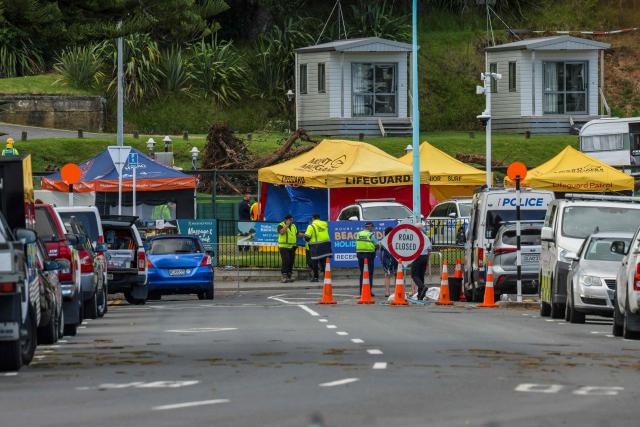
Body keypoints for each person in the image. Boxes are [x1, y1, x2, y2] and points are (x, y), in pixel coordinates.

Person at [304, 214, 332, 282]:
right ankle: (326, 276)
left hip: (316, 246)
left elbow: (307, 238)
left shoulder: (311, 226)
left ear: (313, 218)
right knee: (324, 261)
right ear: (319, 218)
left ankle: (316, 277)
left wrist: (305, 238)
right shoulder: (324, 225)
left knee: (315, 262)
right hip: (326, 245)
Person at [277, 214, 303, 283]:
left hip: (292, 247)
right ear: (286, 220)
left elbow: (297, 234)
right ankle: (284, 276)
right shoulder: (281, 225)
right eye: (290, 220)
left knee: (291, 261)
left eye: (292, 220)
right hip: (283, 246)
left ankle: (289, 275)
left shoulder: (294, 226)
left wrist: (304, 235)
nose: (292, 221)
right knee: (286, 261)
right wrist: (287, 225)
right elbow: (281, 232)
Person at [355, 222, 379, 296]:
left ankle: (361, 291)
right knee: (369, 273)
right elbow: (377, 244)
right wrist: (377, 248)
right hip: (369, 255)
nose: (372, 229)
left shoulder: (359, 234)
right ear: (370, 227)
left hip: (360, 254)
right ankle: (368, 291)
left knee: (362, 273)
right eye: (372, 228)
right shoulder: (370, 235)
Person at [411, 224, 433, 300]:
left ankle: (422, 287)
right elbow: (429, 249)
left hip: (418, 257)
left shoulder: (415, 237)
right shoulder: (426, 237)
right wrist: (427, 260)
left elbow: (412, 248)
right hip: (425, 256)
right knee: (421, 276)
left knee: (414, 275)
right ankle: (420, 295)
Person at [380, 226, 398, 297]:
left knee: (387, 275)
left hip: (386, 259)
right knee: (397, 274)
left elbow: (380, 252)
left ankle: (387, 292)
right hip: (395, 259)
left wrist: (381, 260)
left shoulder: (383, 241)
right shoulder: (395, 240)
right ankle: (397, 290)